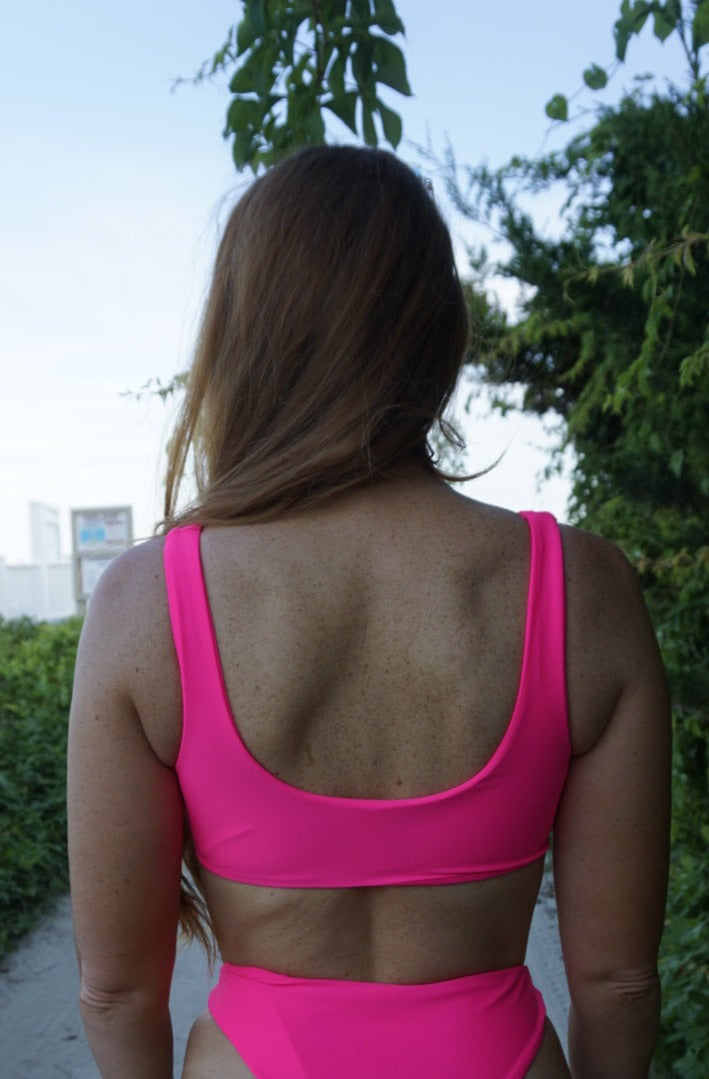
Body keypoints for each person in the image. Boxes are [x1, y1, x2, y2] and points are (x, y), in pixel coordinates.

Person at [67, 146, 671, 1079]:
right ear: (438, 331)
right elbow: (618, 980)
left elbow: (117, 992)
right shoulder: (582, 589)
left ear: (242, 332)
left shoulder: (145, 607)